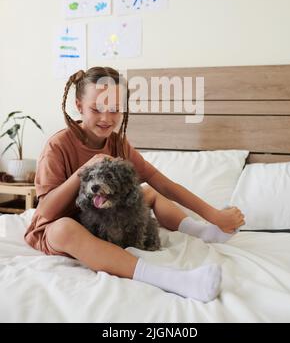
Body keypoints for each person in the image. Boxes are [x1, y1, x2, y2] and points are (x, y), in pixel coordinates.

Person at [24, 66, 245, 302]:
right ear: (79, 106)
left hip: (102, 218)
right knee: (65, 228)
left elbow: (163, 184)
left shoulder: (118, 143)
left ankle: (201, 231)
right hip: (60, 225)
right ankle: (173, 280)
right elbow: (45, 211)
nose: (106, 118)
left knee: (147, 192)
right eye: (96, 108)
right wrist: (83, 170)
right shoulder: (57, 146)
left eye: (115, 110)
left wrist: (214, 216)